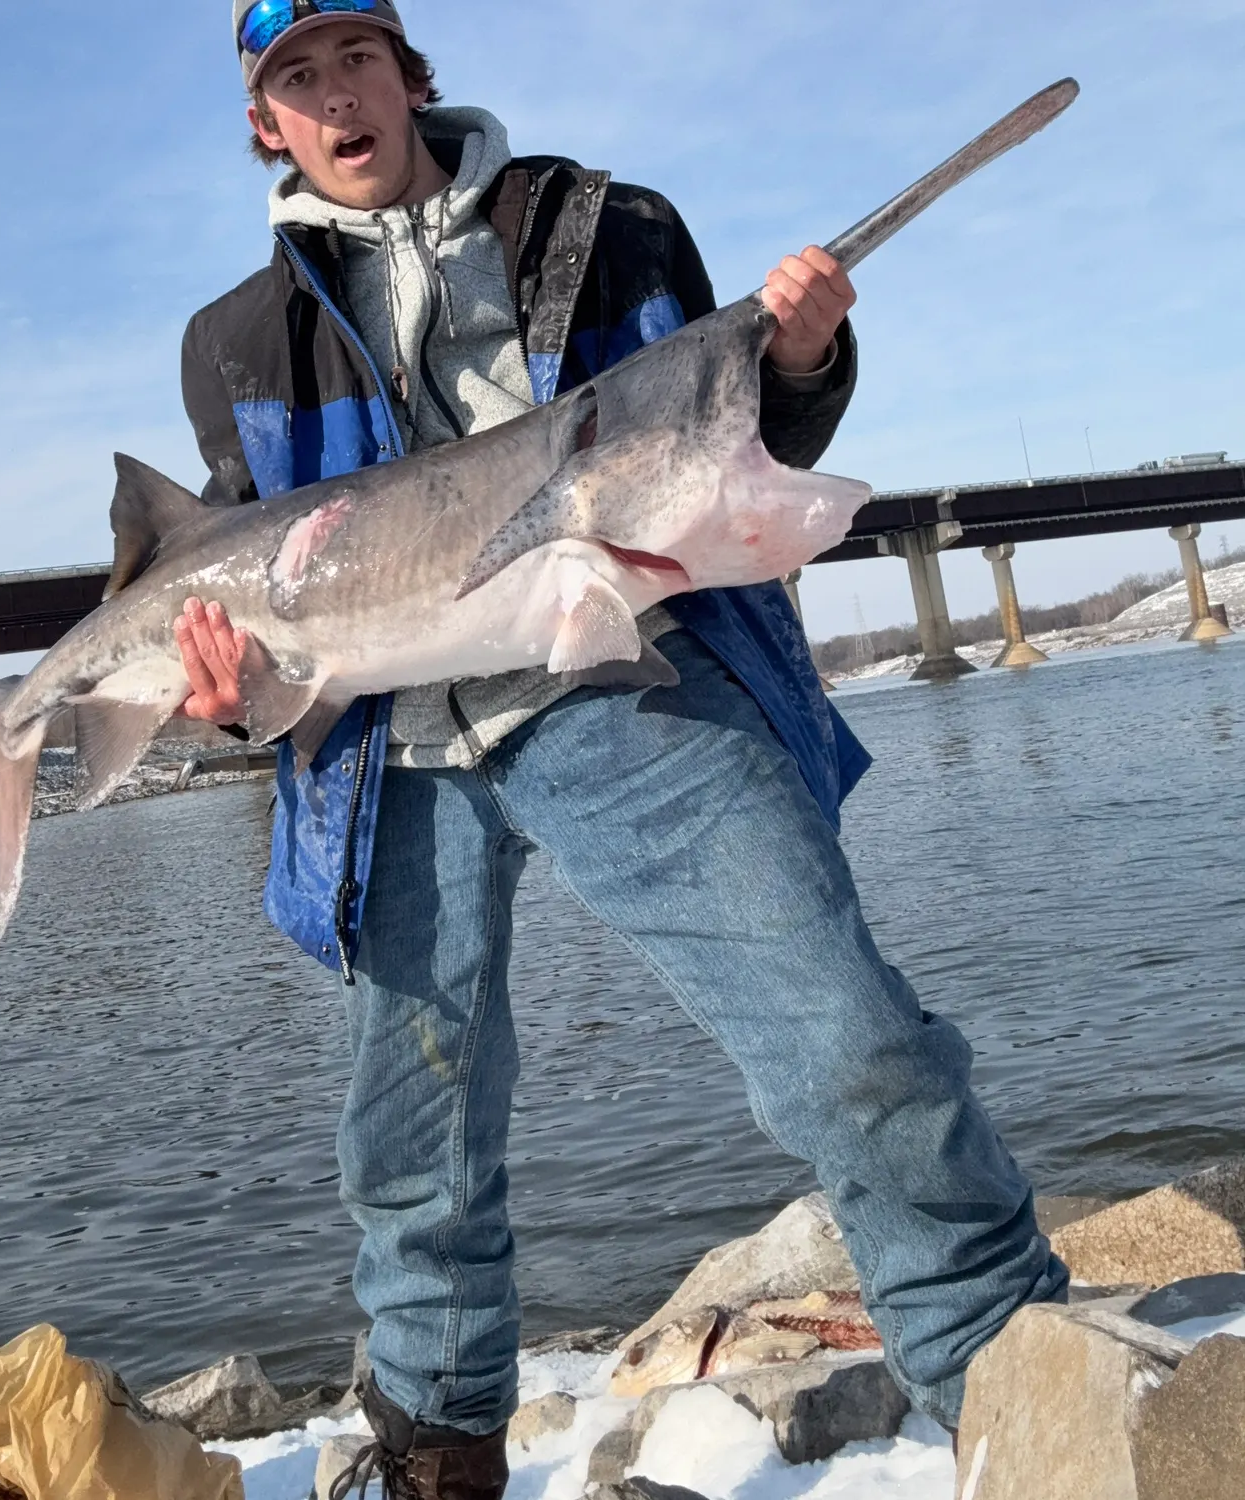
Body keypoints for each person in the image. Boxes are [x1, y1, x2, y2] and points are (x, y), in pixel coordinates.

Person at [173, 4, 1068, 1494]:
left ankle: (1014, 1375)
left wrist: (800, 359)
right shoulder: (235, 337)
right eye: (296, 79)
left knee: (847, 1033)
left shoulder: (601, 223)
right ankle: (440, 1450)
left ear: (410, 80)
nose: (336, 98)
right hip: (395, 748)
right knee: (411, 1149)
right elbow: (239, 545)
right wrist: (223, 680)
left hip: (620, 686)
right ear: (267, 122)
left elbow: (732, 432)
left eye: (357, 61)